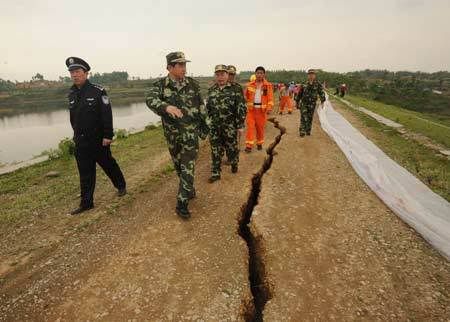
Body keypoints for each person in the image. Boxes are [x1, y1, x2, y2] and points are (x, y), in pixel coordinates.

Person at [145, 52, 209, 219]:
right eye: (179, 65)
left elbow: (201, 107)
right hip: (172, 136)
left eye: (184, 65)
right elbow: (150, 99)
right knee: (179, 167)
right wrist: (166, 107)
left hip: (190, 134)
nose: (183, 68)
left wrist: (205, 127)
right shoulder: (160, 86)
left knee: (188, 167)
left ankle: (182, 204)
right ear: (169, 67)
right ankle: (189, 189)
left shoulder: (193, 85)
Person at [66, 57, 126, 215]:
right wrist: (76, 136)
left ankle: (121, 186)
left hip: (98, 140)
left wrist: (108, 135)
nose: (74, 75)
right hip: (81, 142)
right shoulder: (71, 93)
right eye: (72, 72)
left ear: (86, 73)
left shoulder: (98, 91)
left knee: (108, 165)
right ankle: (86, 203)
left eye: (78, 72)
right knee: (85, 173)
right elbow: (74, 119)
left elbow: (107, 115)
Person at [206, 65, 246, 182]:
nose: (220, 77)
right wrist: (207, 123)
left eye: (222, 74)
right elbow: (208, 108)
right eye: (218, 75)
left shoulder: (235, 88)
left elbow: (241, 107)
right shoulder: (211, 90)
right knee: (215, 150)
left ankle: (234, 163)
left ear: (227, 75)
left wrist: (240, 125)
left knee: (231, 148)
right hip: (215, 126)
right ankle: (216, 172)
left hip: (230, 126)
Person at [244, 66, 274, 152]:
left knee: (260, 129)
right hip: (251, 111)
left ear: (264, 74)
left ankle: (259, 143)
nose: (259, 75)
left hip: (261, 111)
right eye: (258, 73)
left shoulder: (268, 86)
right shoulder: (250, 85)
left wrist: (269, 108)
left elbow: (270, 98)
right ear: (255, 74)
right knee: (250, 128)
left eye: (261, 73)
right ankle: (249, 146)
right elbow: (245, 96)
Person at [295, 69, 326, 137]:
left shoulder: (317, 84)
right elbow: (299, 93)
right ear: (308, 75)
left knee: (310, 117)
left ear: (315, 75)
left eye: (313, 74)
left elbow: (321, 92)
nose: (311, 75)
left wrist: (322, 101)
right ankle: (302, 131)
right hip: (304, 103)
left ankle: (308, 130)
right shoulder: (304, 83)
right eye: (310, 74)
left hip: (312, 104)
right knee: (304, 115)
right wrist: (297, 102)